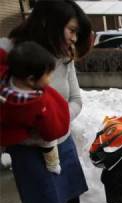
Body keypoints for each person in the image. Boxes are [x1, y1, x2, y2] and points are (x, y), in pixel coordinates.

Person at [3, 1, 105, 203]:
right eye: (72, 30)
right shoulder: (9, 52)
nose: (74, 39)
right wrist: (33, 129)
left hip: (62, 141)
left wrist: (54, 122)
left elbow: (76, 100)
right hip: (29, 151)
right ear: (49, 21)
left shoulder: (64, 57)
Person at [0, 41, 70, 175]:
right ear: (31, 80)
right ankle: (53, 164)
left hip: (6, 130)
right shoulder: (37, 103)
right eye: (48, 74)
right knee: (48, 142)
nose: (51, 78)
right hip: (22, 132)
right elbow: (50, 129)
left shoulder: (5, 78)